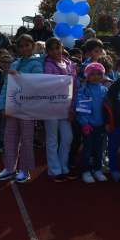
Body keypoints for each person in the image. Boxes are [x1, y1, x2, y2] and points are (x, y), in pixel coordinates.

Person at [0, 34, 43, 184]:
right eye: (21, 46)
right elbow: (6, 86)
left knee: (27, 140)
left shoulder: (37, 64)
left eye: (27, 45)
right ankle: (9, 168)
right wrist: (2, 105)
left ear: (33, 45)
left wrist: (20, 76)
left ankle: (24, 170)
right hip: (12, 107)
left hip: (27, 109)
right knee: (9, 139)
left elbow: (37, 84)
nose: (24, 48)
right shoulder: (14, 64)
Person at [43, 38, 76, 182]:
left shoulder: (70, 63)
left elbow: (75, 87)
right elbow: (49, 82)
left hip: (66, 107)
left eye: (58, 48)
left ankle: (64, 167)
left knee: (68, 137)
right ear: (48, 51)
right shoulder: (47, 65)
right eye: (52, 49)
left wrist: (72, 107)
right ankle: (54, 170)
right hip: (51, 107)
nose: (56, 51)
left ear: (62, 47)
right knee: (52, 139)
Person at [76, 62, 109, 183]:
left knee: (99, 149)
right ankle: (86, 171)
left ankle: (97, 169)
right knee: (88, 149)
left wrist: (107, 122)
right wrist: (84, 123)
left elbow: (108, 109)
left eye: (99, 74)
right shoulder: (83, 90)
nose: (96, 76)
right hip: (88, 126)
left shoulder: (105, 90)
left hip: (101, 125)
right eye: (92, 74)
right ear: (87, 76)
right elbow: (81, 109)